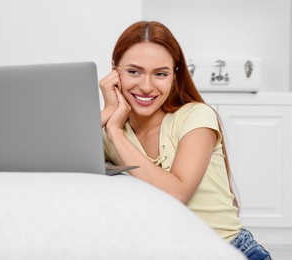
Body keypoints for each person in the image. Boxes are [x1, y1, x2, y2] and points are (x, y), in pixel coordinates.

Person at [99, 20, 272, 260]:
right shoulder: (110, 128)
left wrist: (116, 132)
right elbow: (52, 158)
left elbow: (177, 193)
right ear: (114, 71)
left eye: (160, 74)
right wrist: (108, 111)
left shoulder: (196, 117)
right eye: (134, 71)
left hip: (228, 251)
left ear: (174, 75)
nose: (146, 86)